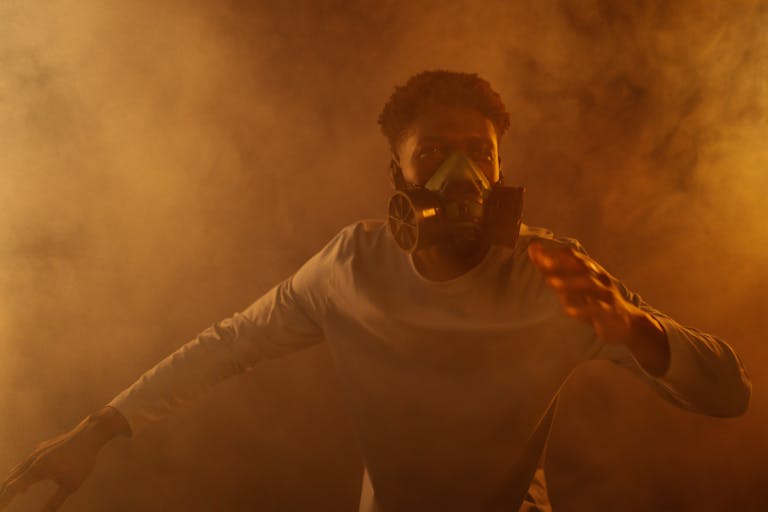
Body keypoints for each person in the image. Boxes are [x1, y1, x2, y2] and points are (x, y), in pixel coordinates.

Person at [0, 70, 751, 512]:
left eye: (480, 155)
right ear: (399, 177)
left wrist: (635, 330)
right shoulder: (349, 269)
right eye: (432, 154)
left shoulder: (554, 274)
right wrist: (98, 429)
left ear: (501, 167)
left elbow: (728, 392)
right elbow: (228, 346)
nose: (463, 177)